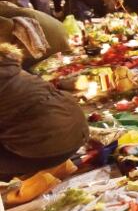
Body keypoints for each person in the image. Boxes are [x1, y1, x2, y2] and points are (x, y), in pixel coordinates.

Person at [0, 43, 87, 180]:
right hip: (78, 132)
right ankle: (54, 168)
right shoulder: (10, 69)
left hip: (47, 148)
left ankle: (35, 178)